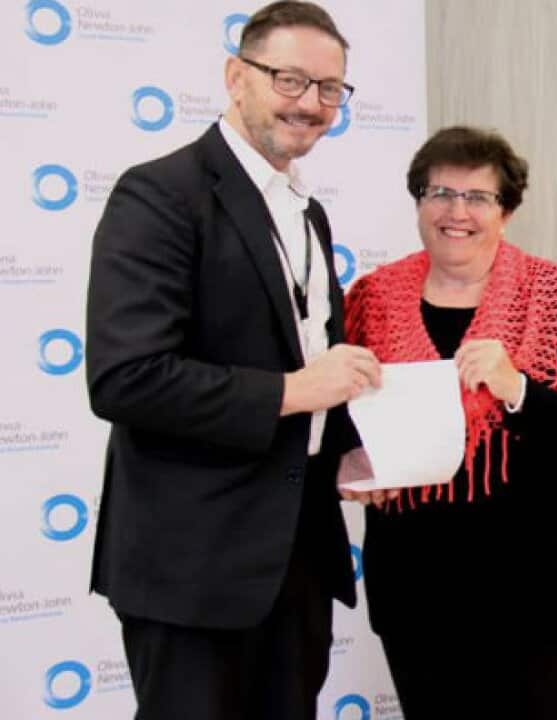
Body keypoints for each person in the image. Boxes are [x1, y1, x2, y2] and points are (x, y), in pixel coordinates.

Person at [85, 3, 375, 718]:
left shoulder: (306, 211)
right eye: (289, 79)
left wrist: (343, 447)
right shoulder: (160, 193)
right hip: (193, 568)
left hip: (296, 558)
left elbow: (301, 351)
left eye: (329, 88)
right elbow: (127, 378)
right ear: (235, 76)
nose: (310, 103)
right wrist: (295, 391)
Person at [341, 126, 557, 719]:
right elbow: (342, 420)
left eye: (477, 197)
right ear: (418, 201)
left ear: (507, 211)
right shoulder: (369, 298)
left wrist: (517, 388)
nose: (457, 212)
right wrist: (353, 461)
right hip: (416, 580)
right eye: (440, 193)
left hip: (536, 579)